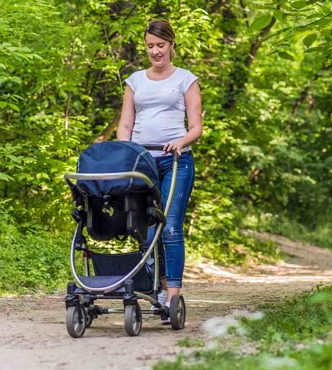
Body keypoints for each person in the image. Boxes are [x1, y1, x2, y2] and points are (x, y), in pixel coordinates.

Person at [116, 19, 203, 311]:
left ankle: (173, 294)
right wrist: (124, 152)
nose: (155, 51)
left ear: (171, 45)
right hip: (142, 163)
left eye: (160, 45)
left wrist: (181, 141)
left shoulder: (185, 80)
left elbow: (196, 127)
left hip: (175, 162)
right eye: (150, 46)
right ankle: (157, 289)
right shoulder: (135, 81)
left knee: (171, 228)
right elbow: (126, 123)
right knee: (148, 230)